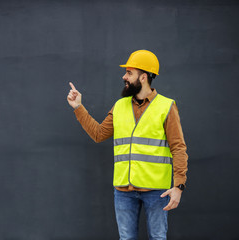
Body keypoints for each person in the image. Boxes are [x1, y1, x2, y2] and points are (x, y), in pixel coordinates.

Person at [66, 50, 188, 240]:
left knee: (158, 237)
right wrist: (78, 108)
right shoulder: (119, 105)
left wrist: (179, 186)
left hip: (157, 191)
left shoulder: (166, 106)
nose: (124, 76)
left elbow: (178, 148)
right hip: (123, 191)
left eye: (129, 72)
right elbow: (99, 134)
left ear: (143, 77)